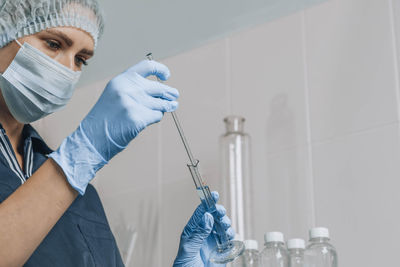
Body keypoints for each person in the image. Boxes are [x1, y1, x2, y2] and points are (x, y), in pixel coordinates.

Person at [0, 0, 234, 266]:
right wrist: (81, 154)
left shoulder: (83, 198)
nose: (67, 69)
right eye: (53, 44)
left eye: (80, 60)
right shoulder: (72, 168)